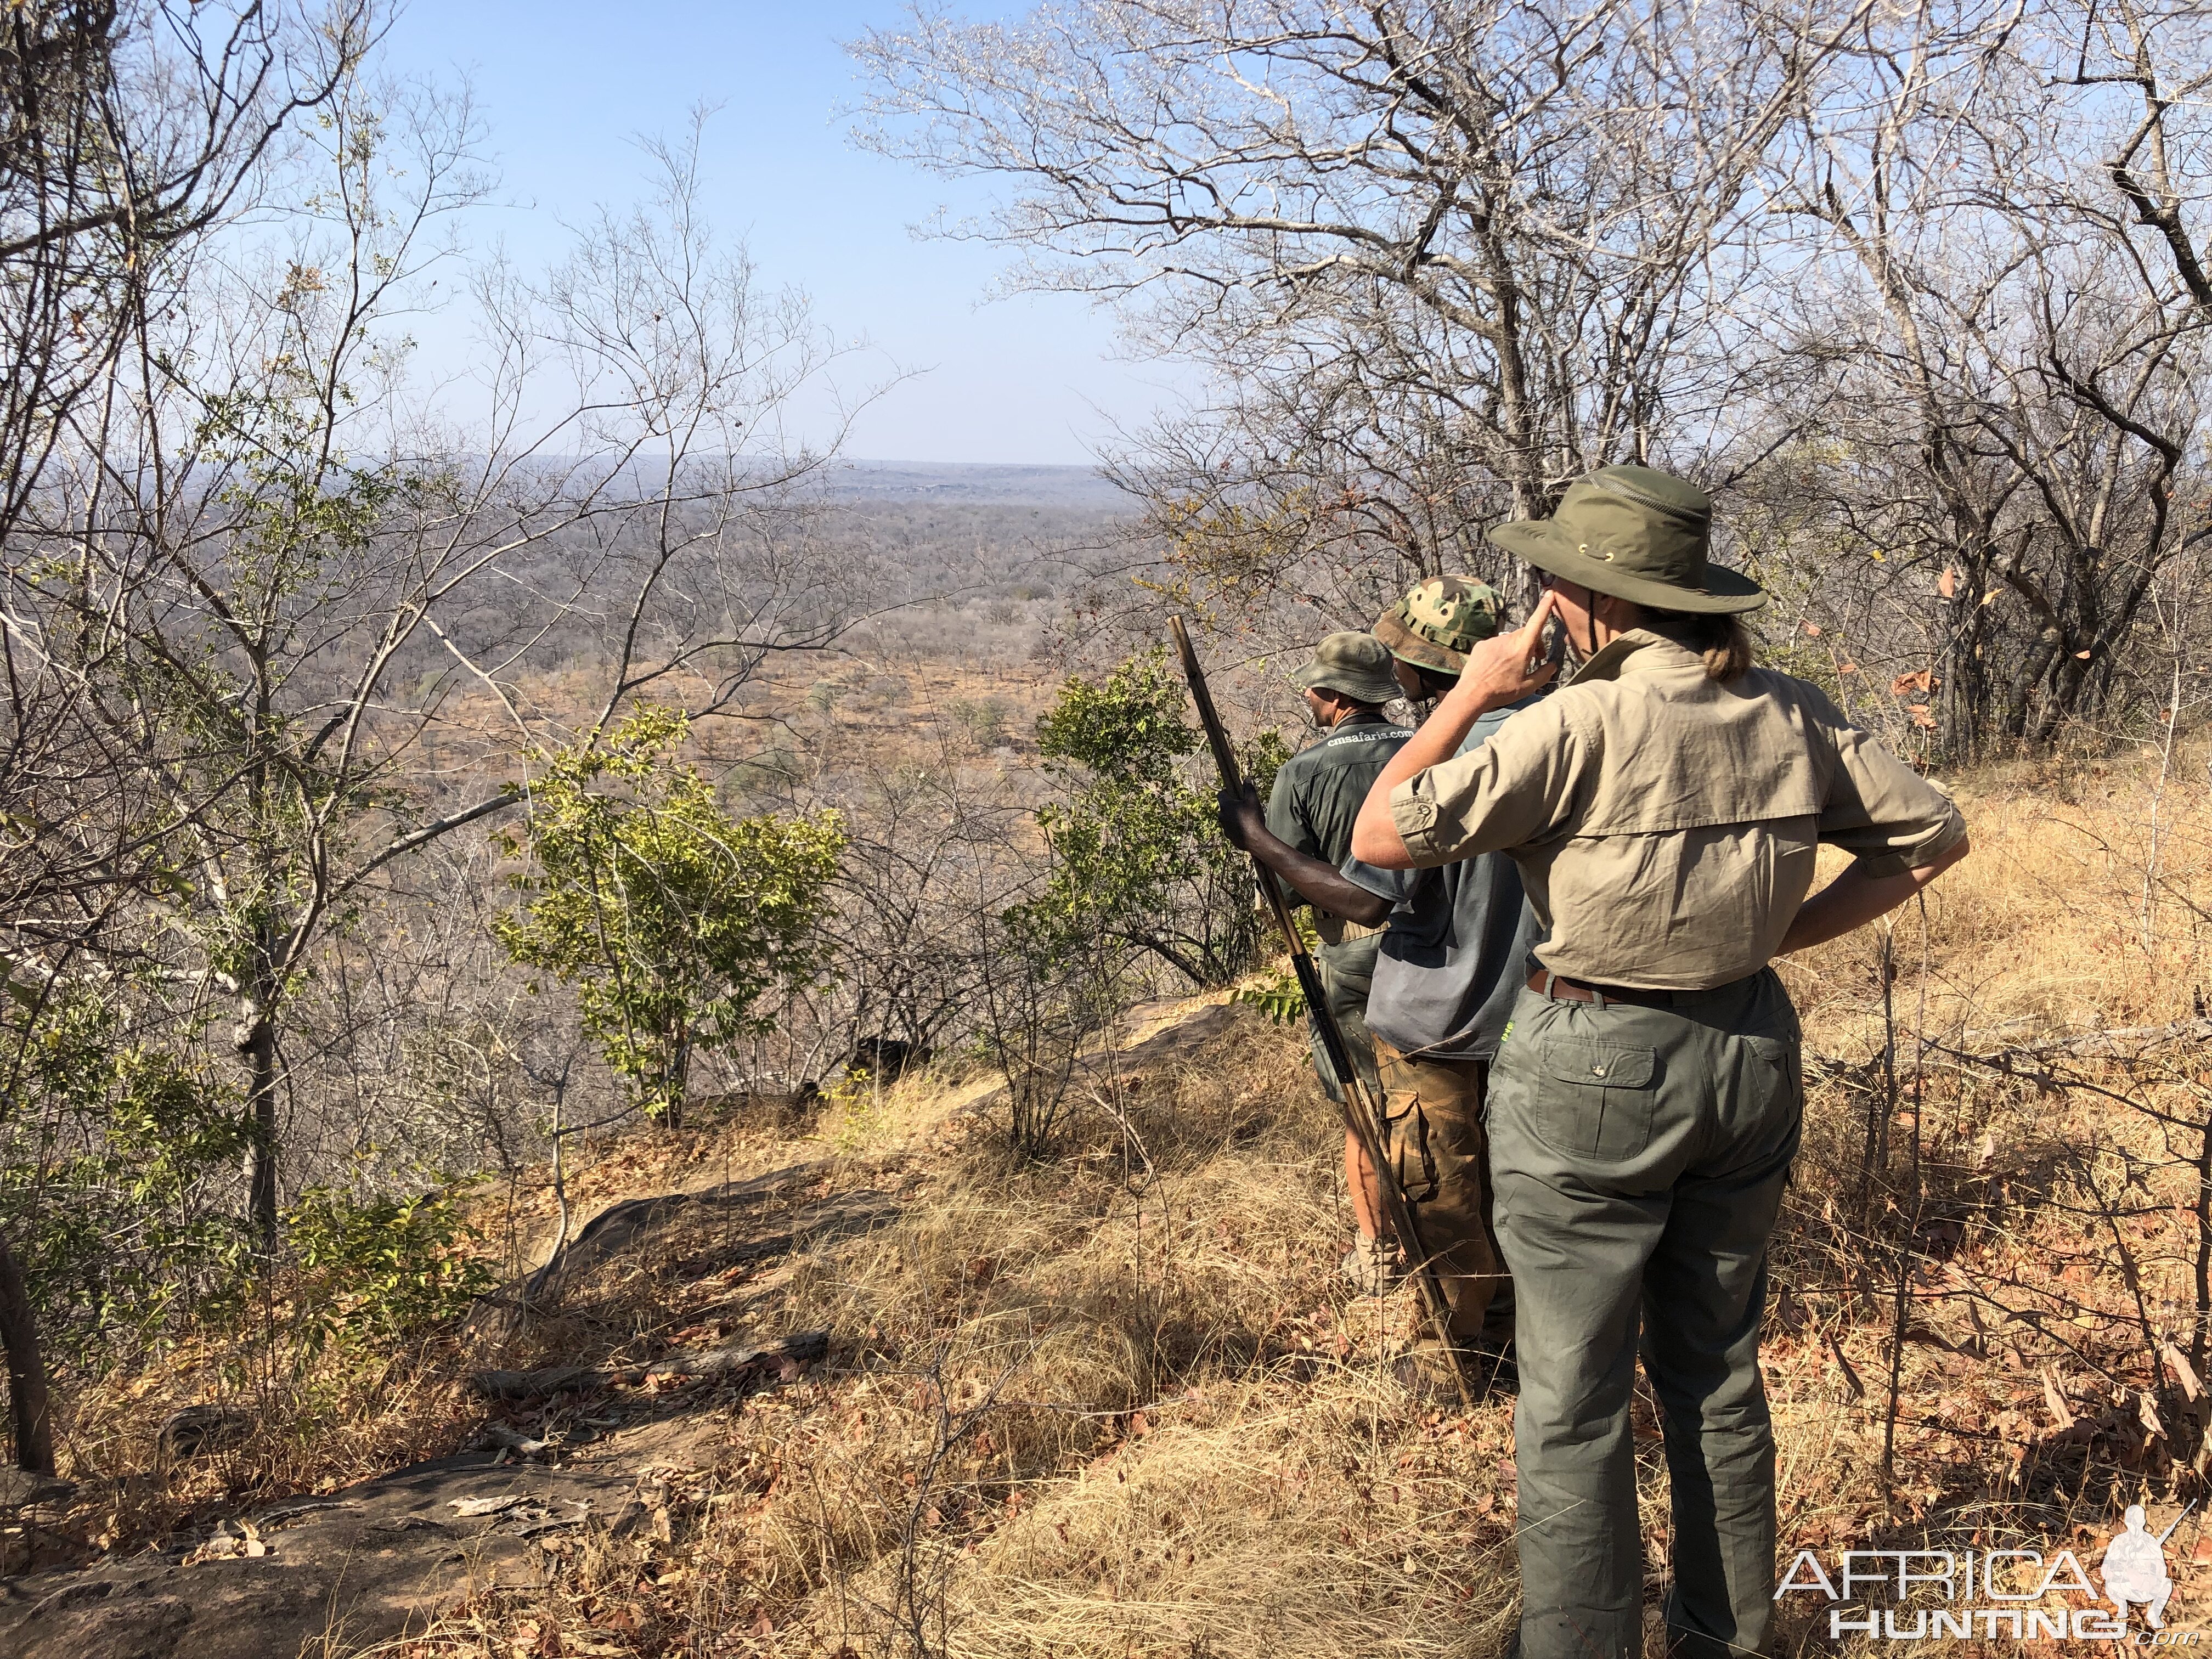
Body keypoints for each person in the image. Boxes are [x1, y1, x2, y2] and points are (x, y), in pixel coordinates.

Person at [1349, 465, 1970, 1659]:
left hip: (1596, 1065)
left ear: (1586, 601)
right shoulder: (1793, 710)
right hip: (1748, 1050)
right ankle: (1724, 1639)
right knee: (1719, 1377)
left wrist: (1474, 687)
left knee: (1574, 1401)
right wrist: (1773, 933)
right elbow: (1934, 835)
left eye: (1547, 582)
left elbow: (1384, 831)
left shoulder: (1568, 723)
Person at [1223, 578, 1541, 1365]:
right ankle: (1525, 1343)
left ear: (1414, 667)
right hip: (1539, 1012)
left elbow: (1366, 902)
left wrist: (1258, 839)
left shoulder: (1435, 760)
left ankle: (1456, 1357)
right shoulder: (1559, 735)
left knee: (1442, 1196)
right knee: (1522, 1188)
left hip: (1438, 1015)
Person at [1258, 631, 1414, 1289]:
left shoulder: (1303, 771)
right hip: (1439, 949)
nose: (1307, 695)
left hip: (1354, 952)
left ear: (1335, 697)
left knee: (1366, 1105)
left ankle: (1378, 1254)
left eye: (1315, 687)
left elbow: (1286, 889)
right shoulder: (1425, 750)